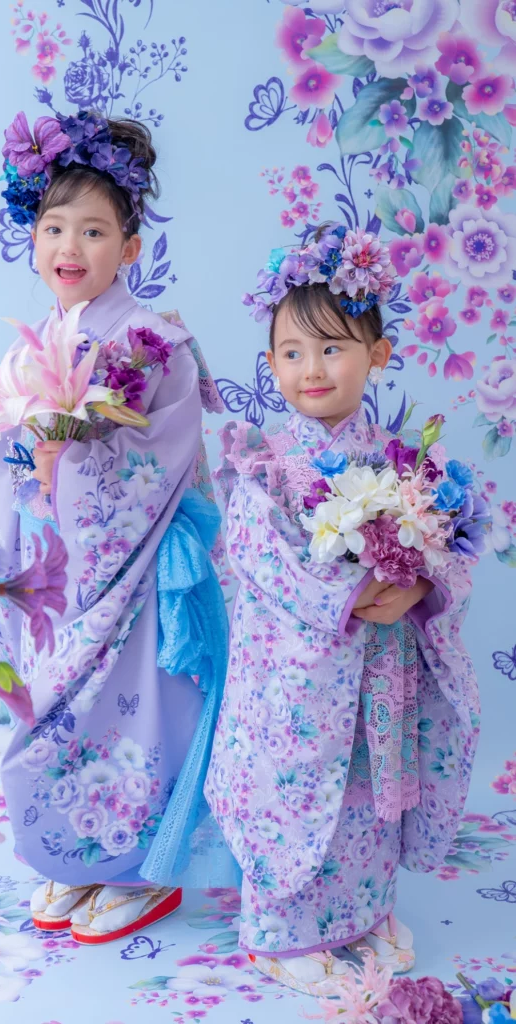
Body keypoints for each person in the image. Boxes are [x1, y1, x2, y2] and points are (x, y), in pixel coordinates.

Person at [0, 109, 236, 944]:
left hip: (134, 567)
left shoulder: (154, 341)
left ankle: (139, 870)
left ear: (130, 248)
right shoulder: (35, 346)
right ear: (33, 238)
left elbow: (163, 456)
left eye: (95, 230)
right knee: (54, 715)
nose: (71, 245)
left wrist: (69, 467)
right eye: (55, 226)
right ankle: (79, 855)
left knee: (128, 715)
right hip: (57, 567)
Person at [204, 225, 481, 996]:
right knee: (296, 789)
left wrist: (420, 587)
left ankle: (362, 911)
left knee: (367, 790)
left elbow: (447, 548)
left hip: (378, 672)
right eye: (292, 353)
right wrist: (354, 597)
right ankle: (280, 933)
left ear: (376, 354)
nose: (312, 369)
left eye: (332, 348)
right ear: (270, 365)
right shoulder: (266, 462)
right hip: (296, 680)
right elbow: (259, 557)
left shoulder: (403, 461)